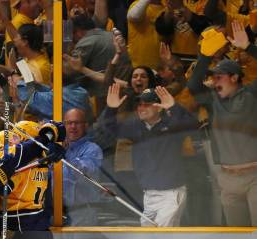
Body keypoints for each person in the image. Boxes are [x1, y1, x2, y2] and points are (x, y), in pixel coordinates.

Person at [187, 21, 257, 226]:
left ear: (235, 77)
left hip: (255, 176)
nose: (215, 81)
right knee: (238, 238)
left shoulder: (252, 94)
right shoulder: (212, 100)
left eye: (220, 77)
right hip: (228, 179)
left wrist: (248, 47)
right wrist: (204, 56)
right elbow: (193, 85)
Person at [99, 84, 199, 226]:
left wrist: (173, 106)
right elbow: (109, 129)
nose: (141, 108)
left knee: (163, 238)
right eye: (139, 105)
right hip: (148, 195)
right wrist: (111, 108)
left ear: (158, 107)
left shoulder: (172, 125)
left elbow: (193, 125)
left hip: (171, 194)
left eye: (147, 105)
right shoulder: (135, 126)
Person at [62, 108, 103, 226]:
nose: (73, 126)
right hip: (56, 212)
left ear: (85, 125)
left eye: (77, 123)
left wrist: (61, 152)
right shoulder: (57, 148)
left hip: (82, 212)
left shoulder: (92, 149)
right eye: (69, 123)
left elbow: (83, 170)